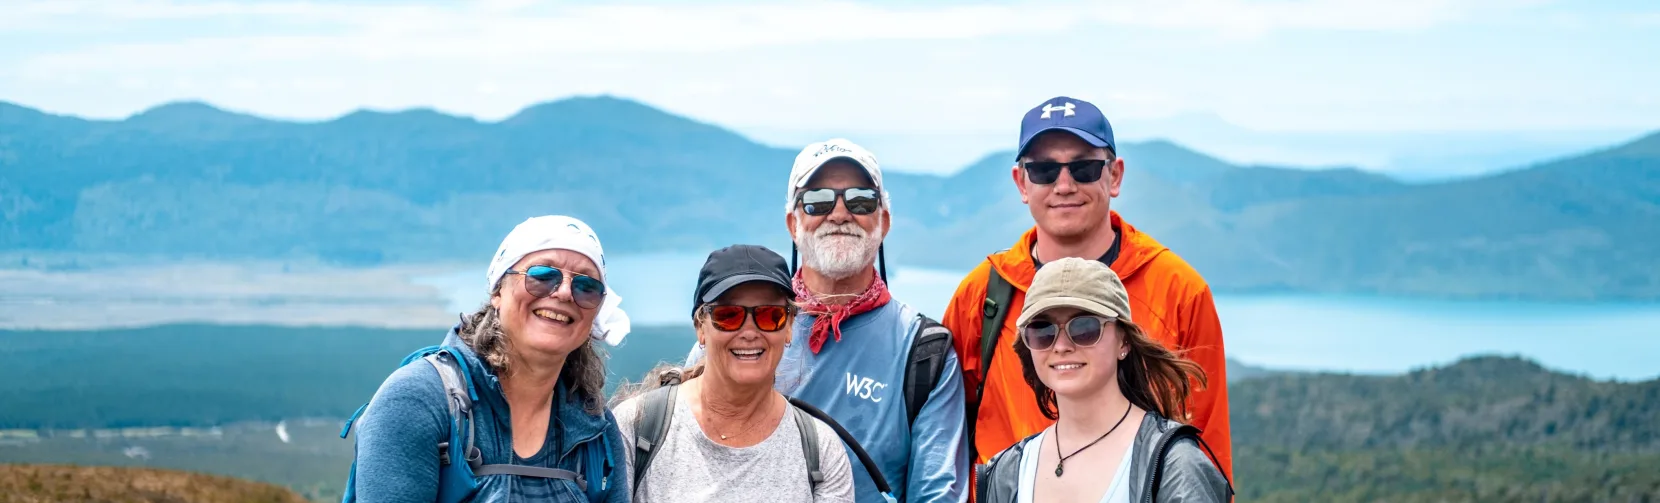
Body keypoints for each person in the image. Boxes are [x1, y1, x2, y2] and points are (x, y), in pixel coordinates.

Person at [941, 96, 1233, 483]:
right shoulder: (984, 295)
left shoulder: (1178, 291)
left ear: (1114, 176)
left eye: (1083, 168)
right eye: (1044, 170)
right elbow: (945, 442)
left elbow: (1207, 450)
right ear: (1021, 182)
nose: (1064, 185)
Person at [685, 139, 971, 503]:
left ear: (883, 221)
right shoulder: (737, 332)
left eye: (861, 200)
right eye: (818, 200)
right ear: (793, 222)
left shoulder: (924, 352)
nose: (839, 213)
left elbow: (937, 495)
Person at [339, 215, 632, 503]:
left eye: (586, 287)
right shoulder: (418, 402)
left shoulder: (596, 431)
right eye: (542, 276)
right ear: (498, 292)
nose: (565, 292)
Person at [610, 244, 856, 503]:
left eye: (770, 316)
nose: (749, 332)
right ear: (700, 328)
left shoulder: (821, 451)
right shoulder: (637, 426)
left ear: (789, 328)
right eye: (728, 315)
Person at [976, 257, 1231, 503]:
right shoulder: (1008, 471)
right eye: (1042, 330)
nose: (1061, 346)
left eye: (1084, 328)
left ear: (1124, 341)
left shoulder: (1174, 466)